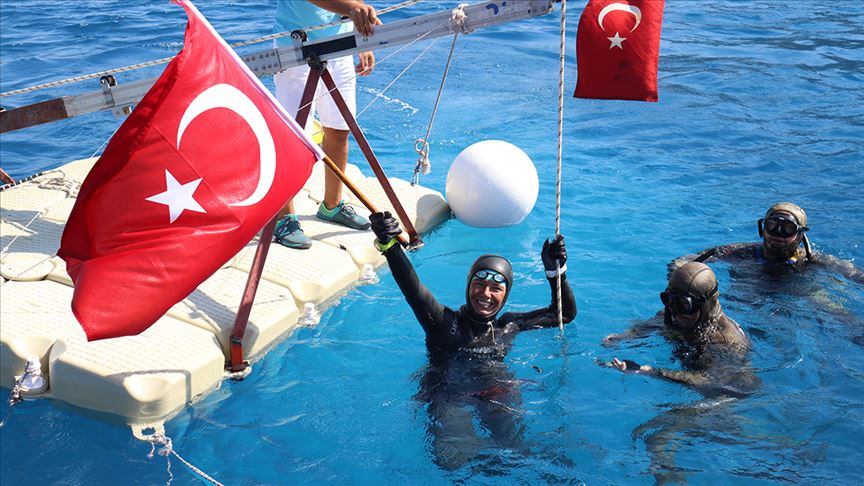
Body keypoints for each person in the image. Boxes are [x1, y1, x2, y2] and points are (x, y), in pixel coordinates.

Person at [370, 211, 576, 469]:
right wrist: (390, 246)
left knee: (514, 450)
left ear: (506, 294)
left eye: (496, 288)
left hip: (496, 389)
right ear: (468, 285)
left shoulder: (509, 325)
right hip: (449, 394)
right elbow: (414, 290)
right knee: (451, 461)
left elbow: (563, 314)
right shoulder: (444, 323)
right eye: (479, 284)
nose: (486, 294)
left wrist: (557, 273)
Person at [271, 1, 381, 249]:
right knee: (292, 138)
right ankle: (284, 217)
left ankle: (332, 206)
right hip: (294, 46)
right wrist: (352, 9)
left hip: (340, 46)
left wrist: (360, 36)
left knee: (339, 130)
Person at [603, 262, 759, 397]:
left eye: (684, 304)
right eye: (670, 301)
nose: (676, 312)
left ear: (704, 306)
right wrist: (623, 337)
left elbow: (710, 381)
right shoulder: (675, 312)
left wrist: (650, 371)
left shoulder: (727, 341)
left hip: (730, 394)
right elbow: (650, 326)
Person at [668, 202, 864, 284]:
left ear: (799, 235)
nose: (778, 233)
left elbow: (854, 274)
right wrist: (679, 283)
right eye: (772, 226)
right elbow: (684, 261)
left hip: (797, 296)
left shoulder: (811, 260)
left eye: (787, 228)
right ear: (762, 228)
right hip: (748, 300)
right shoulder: (739, 252)